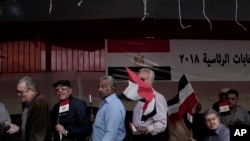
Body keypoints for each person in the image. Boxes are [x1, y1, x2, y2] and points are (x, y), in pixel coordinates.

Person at [5, 76, 51, 141]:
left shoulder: (40, 103)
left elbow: (38, 135)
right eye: (17, 91)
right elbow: (29, 127)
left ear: (31, 91)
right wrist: (18, 128)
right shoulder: (27, 102)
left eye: (21, 92)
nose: (18, 94)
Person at [131, 68, 168, 141]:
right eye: (137, 80)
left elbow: (162, 123)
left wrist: (148, 129)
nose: (138, 83)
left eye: (141, 79)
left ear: (151, 81)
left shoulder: (157, 98)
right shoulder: (140, 98)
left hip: (151, 137)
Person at [89, 76, 126, 141]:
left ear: (112, 88)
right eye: (99, 87)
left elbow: (110, 135)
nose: (99, 89)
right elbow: (105, 125)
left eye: (103, 87)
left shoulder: (113, 106)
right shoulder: (105, 103)